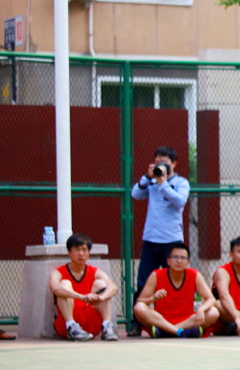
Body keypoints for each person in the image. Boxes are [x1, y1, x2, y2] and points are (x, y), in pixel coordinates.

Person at [128, 146, 190, 336]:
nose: (160, 166)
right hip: (151, 239)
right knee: (143, 281)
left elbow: (180, 201)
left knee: (173, 280)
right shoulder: (151, 182)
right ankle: (137, 323)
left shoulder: (180, 182)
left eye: (164, 163)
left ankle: (173, 318)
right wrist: (148, 178)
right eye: (157, 162)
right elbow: (135, 194)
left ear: (174, 164)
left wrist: (163, 183)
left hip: (172, 240)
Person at [133, 242, 218, 338]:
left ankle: (169, 331)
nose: (179, 261)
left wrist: (201, 309)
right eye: (175, 257)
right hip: (161, 320)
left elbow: (211, 299)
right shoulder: (156, 275)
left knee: (213, 312)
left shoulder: (194, 275)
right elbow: (140, 302)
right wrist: (153, 298)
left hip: (187, 320)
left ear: (188, 262)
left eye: (183, 258)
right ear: (168, 261)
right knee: (139, 308)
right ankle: (181, 332)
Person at [49, 233, 119, 341]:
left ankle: (106, 327)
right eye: (77, 250)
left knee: (102, 284)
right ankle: (72, 328)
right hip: (67, 323)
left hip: (91, 323)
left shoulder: (94, 271)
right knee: (64, 285)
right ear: (69, 252)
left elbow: (113, 287)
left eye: (84, 250)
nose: (81, 254)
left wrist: (102, 297)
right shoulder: (58, 272)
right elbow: (55, 289)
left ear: (88, 253)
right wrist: (80, 296)